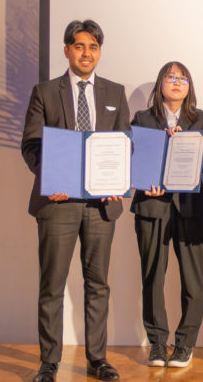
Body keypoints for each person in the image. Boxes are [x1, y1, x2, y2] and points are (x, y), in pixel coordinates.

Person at [20, 19, 128, 382]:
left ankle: (98, 359)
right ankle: (49, 363)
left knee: (98, 285)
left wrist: (117, 179)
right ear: (67, 50)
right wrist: (51, 179)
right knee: (52, 284)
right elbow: (32, 144)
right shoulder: (45, 92)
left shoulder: (115, 93)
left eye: (93, 47)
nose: (86, 53)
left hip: (101, 205)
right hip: (58, 202)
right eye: (79, 46)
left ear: (100, 52)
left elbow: (124, 144)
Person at [130, 61, 203, 369]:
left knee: (193, 280)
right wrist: (144, 182)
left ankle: (184, 343)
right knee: (152, 276)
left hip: (190, 207)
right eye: (171, 77)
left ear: (189, 86)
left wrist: (185, 145)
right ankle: (156, 342)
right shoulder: (142, 118)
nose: (177, 82)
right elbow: (133, 160)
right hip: (152, 206)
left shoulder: (200, 119)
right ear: (160, 83)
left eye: (183, 78)